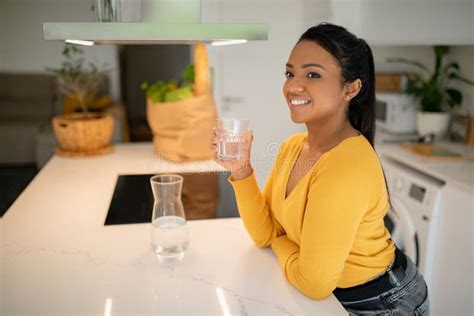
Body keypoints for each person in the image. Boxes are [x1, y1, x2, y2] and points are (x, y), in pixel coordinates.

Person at [212, 23, 430, 315]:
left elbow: (313, 282)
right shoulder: (293, 147)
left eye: (313, 74)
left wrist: (282, 243)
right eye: (290, 73)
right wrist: (241, 170)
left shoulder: (346, 166)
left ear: (350, 88)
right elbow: (264, 233)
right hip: (331, 299)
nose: (293, 86)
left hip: (380, 303)